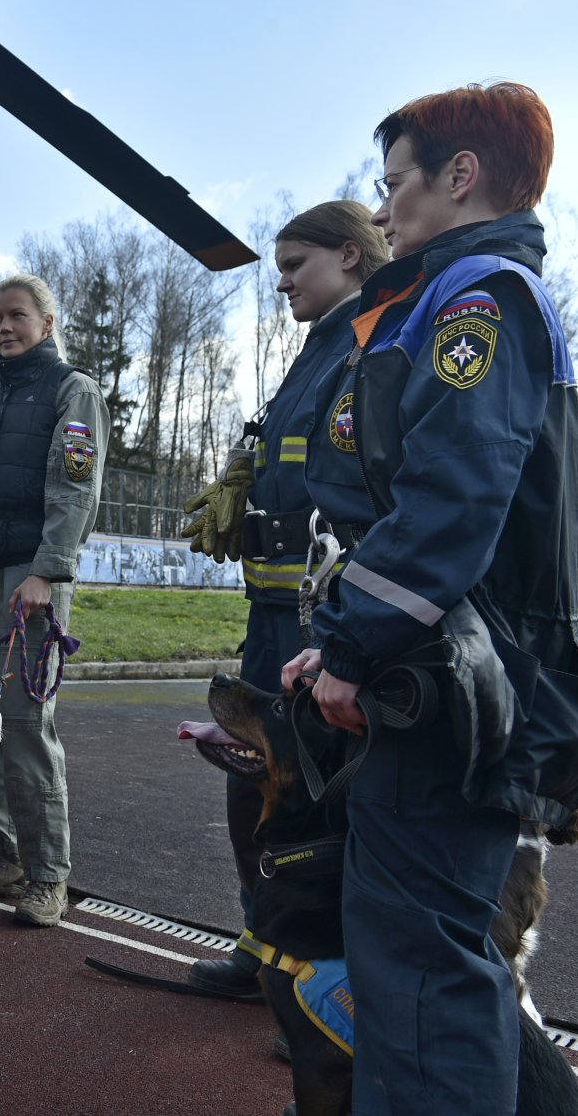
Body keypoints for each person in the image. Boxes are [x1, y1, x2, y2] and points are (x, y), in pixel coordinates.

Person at [281, 83, 578, 1113]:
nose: (380, 212)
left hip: (451, 696)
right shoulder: (446, 296)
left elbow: (451, 498)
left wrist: (353, 646)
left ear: (458, 176)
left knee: (423, 988)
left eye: (394, 185)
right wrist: (338, 639)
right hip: (435, 675)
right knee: (422, 971)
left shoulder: (479, 298)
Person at [179, 201, 389, 999]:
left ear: (349, 254)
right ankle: (268, 947)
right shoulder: (316, 353)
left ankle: (329, 981)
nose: (284, 286)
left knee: (326, 803)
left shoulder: (372, 344)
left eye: (297, 267)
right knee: (254, 785)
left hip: (326, 625)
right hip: (273, 622)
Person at [0, 274, 110, 927]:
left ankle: (49, 876)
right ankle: (3, 853)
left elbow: (76, 489)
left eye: (16, 315)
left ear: (46, 323)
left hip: (30, 579)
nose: (4, 327)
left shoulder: (73, 392)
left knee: (23, 724)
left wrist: (48, 572)